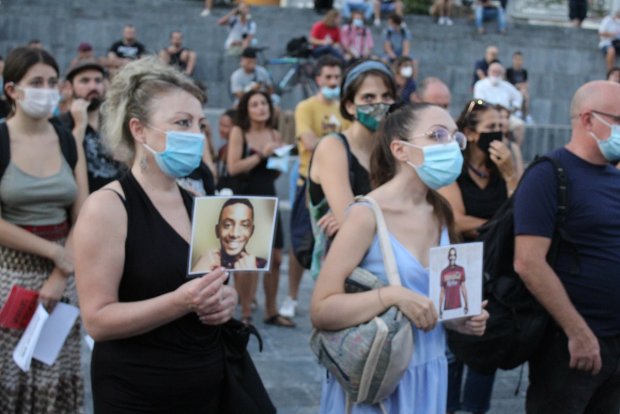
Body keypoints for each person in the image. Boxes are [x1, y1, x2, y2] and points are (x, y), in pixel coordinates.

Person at [73, 57, 239, 411]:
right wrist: (180, 301)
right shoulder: (107, 208)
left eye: (199, 124)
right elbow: (97, 320)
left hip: (205, 383)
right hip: (138, 391)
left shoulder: (198, 202)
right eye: (182, 122)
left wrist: (227, 299)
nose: (196, 135)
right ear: (139, 129)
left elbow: (215, 285)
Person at [311, 103, 488, 413]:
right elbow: (321, 310)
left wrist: (460, 320)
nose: (451, 146)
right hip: (378, 377)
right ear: (400, 149)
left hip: (430, 372)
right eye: (438, 135)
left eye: (455, 137)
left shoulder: (441, 213)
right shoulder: (366, 215)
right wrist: (392, 296)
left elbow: (432, 304)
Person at [513, 80, 620, 414]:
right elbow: (528, 262)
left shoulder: (614, 177)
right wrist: (578, 332)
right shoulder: (549, 174)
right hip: (569, 346)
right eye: (618, 120)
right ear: (588, 119)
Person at [0, 46, 88, 413]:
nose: (47, 91)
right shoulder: (1, 139)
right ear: (12, 90)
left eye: (53, 82)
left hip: (64, 275)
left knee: (54, 371)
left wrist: (60, 272)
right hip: (10, 274)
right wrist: (54, 253)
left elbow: (82, 211)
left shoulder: (67, 139)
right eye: (36, 83)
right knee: (10, 370)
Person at [439, 99, 519, 414]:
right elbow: (456, 220)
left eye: (501, 127)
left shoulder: (507, 162)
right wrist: (499, 225)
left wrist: (510, 176)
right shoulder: (454, 167)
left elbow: (522, 208)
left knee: (486, 347)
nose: (498, 134)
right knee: (454, 348)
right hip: (459, 264)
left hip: (495, 268)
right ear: (471, 134)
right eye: (490, 128)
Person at [307, 59, 395, 281]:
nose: (379, 104)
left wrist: (363, 213)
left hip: (389, 269)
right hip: (346, 278)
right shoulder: (333, 147)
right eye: (368, 98)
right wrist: (386, 215)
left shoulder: (393, 149)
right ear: (350, 106)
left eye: (386, 96)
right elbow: (352, 225)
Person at [280, 56, 347, 319]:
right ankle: (292, 297)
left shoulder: (344, 109)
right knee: (300, 243)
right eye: (328, 77)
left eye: (336, 77)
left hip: (340, 184)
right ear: (318, 79)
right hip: (309, 183)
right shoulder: (306, 107)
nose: (332, 82)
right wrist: (338, 145)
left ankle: (329, 298)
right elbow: (308, 141)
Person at [226, 90, 294, 327]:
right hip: (246, 197)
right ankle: (246, 312)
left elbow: (274, 173)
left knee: (275, 258)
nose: (261, 108)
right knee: (248, 260)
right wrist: (261, 155)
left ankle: (271, 310)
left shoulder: (274, 133)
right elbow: (233, 167)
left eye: (264, 103)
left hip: (268, 195)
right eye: (254, 104)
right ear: (246, 109)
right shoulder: (239, 131)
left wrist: (279, 158)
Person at [54, 61, 123, 192]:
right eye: (84, 81)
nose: (93, 86)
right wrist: (79, 126)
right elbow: (64, 167)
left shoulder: (115, 122)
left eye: (98, 80)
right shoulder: (61, 124)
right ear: (70, 87)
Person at [193, 198, 268, 272]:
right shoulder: (205, 263)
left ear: (251, 232)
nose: (235, 234)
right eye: (227, 225)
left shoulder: (262, 265)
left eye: (244, 225)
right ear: (217, 230)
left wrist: (252, 274)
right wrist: (197, 271)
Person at [474, 63, 525, 145]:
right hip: (487, 115)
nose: (496, 74)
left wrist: (513, 108)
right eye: (494, 71)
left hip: (506, 115)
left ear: (502, 73)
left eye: (498, 72)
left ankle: (515, 149)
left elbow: (518, 96)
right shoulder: (480, 85)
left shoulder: (507, 86)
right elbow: (479, 101)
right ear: (488, 72)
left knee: (519, 125)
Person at [439, 247, 468, 319]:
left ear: (456, 256)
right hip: (447, 308)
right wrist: (439, 309)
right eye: (451, 255)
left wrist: (466, 304)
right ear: (448, 257)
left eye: (454, 255)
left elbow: (463, 288)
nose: (452, 257)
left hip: (458, 307)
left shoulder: (461, 269)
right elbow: (442, 291)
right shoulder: (444, 272)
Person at [506, 50, 531, 122]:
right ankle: (521, 113)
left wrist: (521, 86)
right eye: (516, 59)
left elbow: (526, 83)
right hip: (511, 91)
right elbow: (507, 83)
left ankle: (524, 114)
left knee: (524, 94)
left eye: (520, 59)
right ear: (513, 60)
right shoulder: (509, 71)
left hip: (522, 91)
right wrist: (517, 86)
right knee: (523, 93)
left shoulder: (524, 72)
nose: (518, 61)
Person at [598, 7, 620, 71]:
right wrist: (614, 34)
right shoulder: (608, 20)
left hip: (618, 43)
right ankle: (610, 71)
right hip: (607, 43)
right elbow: (601, 33)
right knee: (611, 51)